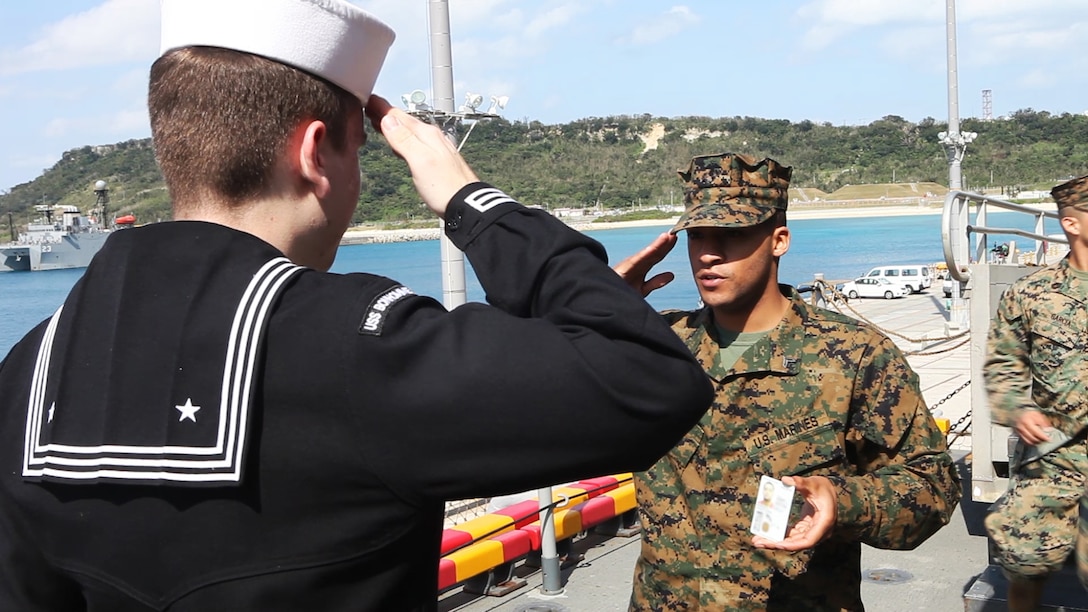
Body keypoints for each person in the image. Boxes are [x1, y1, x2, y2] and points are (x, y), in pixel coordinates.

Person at [0, 1, 714, 610]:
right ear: (315, 152)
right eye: (358, 156)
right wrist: (475, 202)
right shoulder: (357, 348)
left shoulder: (33, 364)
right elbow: (651, 381)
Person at [614, 152, 962, 610]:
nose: (708, 254)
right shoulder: (653, 343)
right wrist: (596, 310)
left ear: (778, 240)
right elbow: (537, 404)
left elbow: (931, 485)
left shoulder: (853, 354)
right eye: (697, 235)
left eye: (731, 235)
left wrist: (842, 502)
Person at [983, 173, 1088, 611]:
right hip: (1054, 452)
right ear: (1073, 225)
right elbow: (1003, 367)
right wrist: (1017, 409)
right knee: (1025, 562)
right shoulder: (1032, 294)